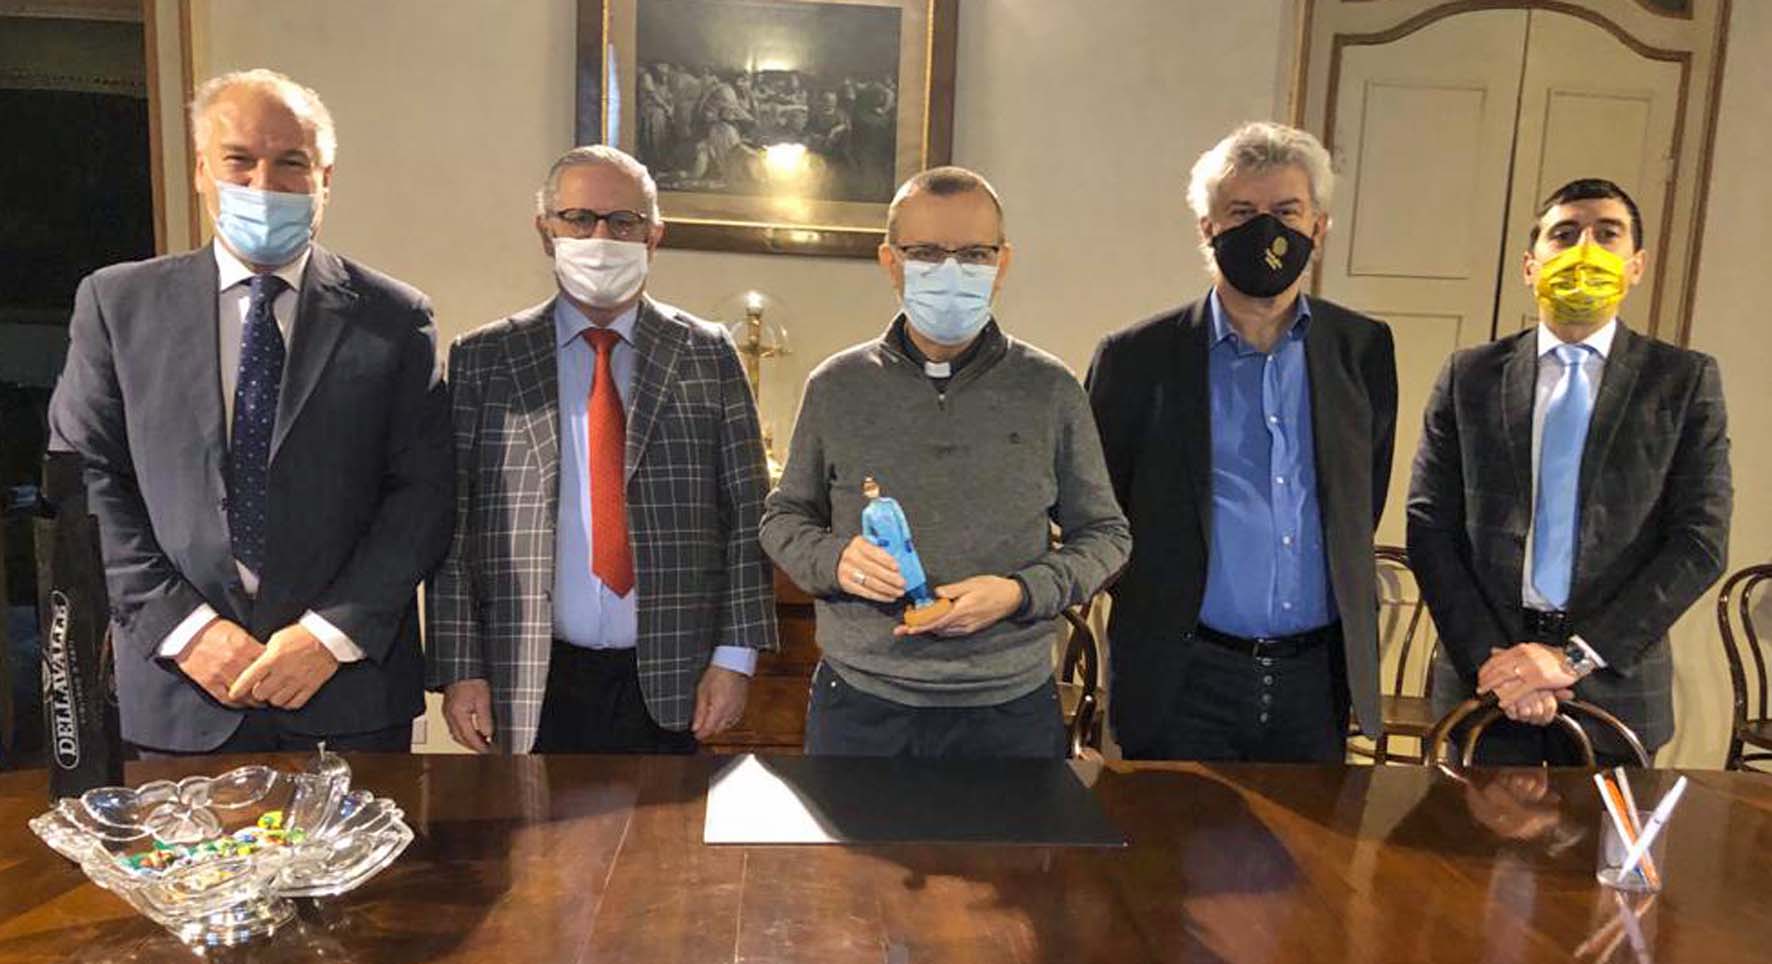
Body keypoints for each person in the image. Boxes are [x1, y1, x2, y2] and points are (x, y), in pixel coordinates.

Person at [48, 69, 452, 753]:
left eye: (291, 162)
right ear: (201, 170)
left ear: (325, 179)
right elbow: (86, 481)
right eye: (239, 159)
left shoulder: (395, 318)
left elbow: (424, 494)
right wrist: (186, 630)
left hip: (347, 697)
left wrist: (330, 634)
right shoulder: (117, 306)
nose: (264, 185)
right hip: (178, 695)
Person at [760, 166, 1130, 758]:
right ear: (890, 262)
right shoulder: (836, 386)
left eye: (975, 254)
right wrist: (835, 560)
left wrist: (1020, 592)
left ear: (1002, 263)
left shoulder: (1051, 390)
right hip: (862, 704)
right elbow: (783, 519)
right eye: (927, 253)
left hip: (1009, 709)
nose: (952, 271)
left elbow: (1107, 535)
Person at [426, 146, 777, 754]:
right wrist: (460, 668)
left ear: (654, 236)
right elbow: (454, 528)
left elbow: (748, 513)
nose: (601, 238)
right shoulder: (484, 358)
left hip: (675, 674)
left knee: (668, 821)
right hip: (529, 676)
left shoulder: (708, 354)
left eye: (623, 222)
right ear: (546, 232)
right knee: (526, 821)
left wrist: (735, 657)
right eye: (579, 219)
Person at [1087, 121, 1397, 762]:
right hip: (1181, 676)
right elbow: (1099, 512)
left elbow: (1361, 496)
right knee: (1166, 830)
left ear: (1319, 227)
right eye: (1242, 213)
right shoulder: (1135, 358)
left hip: (1315, 679)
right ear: (1208, 228)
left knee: (1317, 833)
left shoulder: (1363, 349)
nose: (1267, 231)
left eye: (1287, 212)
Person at [1407, 177, 1732, 765]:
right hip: (1486, 681)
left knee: (1608, 834)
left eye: (1607, 234)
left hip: (1616, 691)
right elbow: (1431, 526)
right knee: (1463, 831)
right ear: (1530, 266)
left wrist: (1572, 659)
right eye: (1564, 234)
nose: (1585, 249)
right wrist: (1497, 663)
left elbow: (1700, 541)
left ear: (1636, 265)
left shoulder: (1682, 382)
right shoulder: (1469, 376)